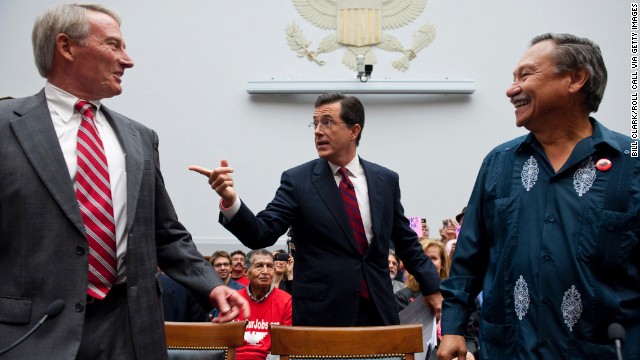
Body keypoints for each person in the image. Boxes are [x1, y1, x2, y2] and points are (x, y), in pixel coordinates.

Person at [0, 4, 248, 359]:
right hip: (32, 335)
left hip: (131, 331)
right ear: (66, 47)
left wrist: (211, 286)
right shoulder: (6, 125)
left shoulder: (140, 137)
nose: (127, 60)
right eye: (113, 45)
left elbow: (165, 232)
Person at [439, 33, 640, 359]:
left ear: (575, 79)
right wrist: (452, 329)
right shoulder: (499, 164)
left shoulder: (631, 164)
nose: (510, 89)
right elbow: (469, 258)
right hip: (511, 349)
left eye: (525, 75)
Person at [191, 93, 443, 326]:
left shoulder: (385, 180)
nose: (318, 132)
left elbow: (406, 242)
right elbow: (262, 233)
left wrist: (432, 288)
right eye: (315, 124)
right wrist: (230, 200)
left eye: (327, 123)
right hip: (322, 315)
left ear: (354, 130)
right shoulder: (298, 181)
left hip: (378, 311)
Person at [232, 249, 292, 360]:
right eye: (259, 266)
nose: (265, 271)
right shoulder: (233, 299)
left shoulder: (286, 301)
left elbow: (284, 344)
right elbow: (222, 340)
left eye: (269, 266)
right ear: (246, 271)